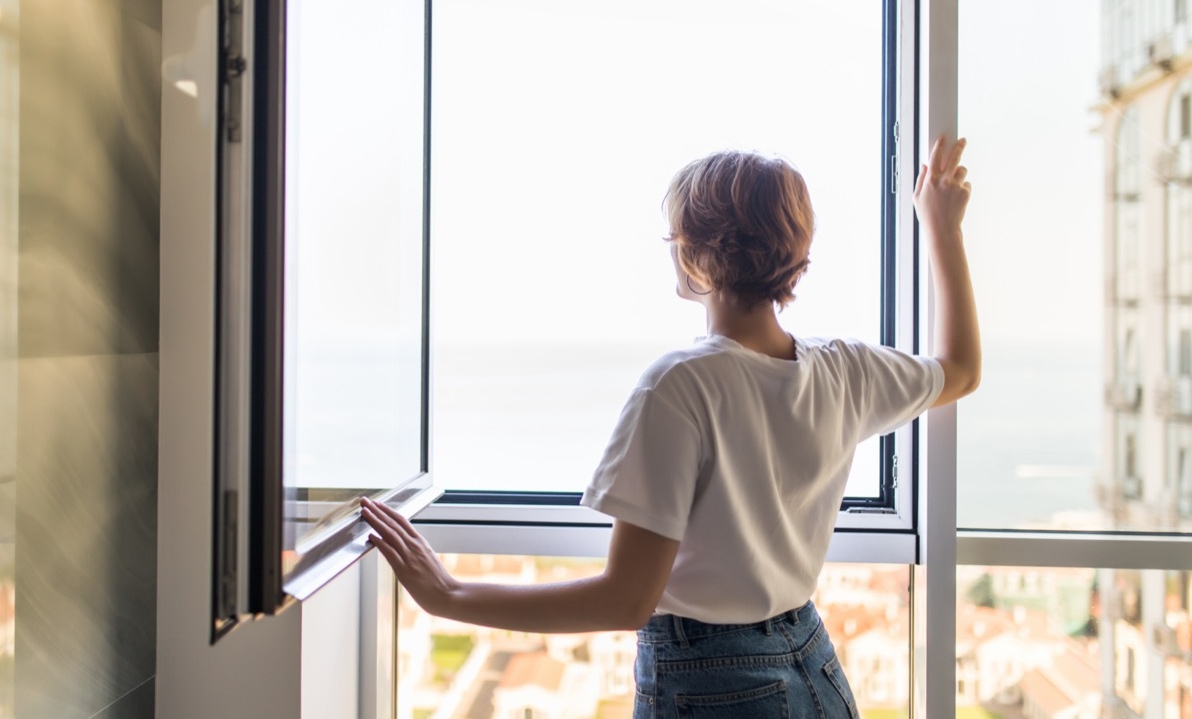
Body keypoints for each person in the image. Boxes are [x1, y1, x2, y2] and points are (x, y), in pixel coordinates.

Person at [361, 135, 979, 718]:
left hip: (714, 684)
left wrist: (450, 595)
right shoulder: (844, 370)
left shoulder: (681, 384)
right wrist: (942, 228)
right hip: (814, 665)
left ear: (692, 249)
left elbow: (626, 599)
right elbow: (961, 369)